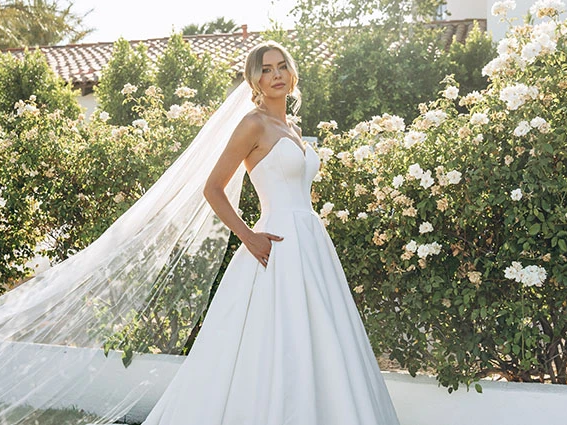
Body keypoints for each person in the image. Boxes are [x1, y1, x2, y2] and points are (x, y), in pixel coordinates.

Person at [142, 41, 402, 424]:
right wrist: (248, 236)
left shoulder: (292, 127)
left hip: (310, 243)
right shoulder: (253, 124)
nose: (276, 74)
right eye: (266, 69)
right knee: (271, 340)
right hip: (274, 245)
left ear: (291, 73)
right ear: (254, 79)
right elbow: (213, 188)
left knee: (323, 339)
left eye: (281, 66)